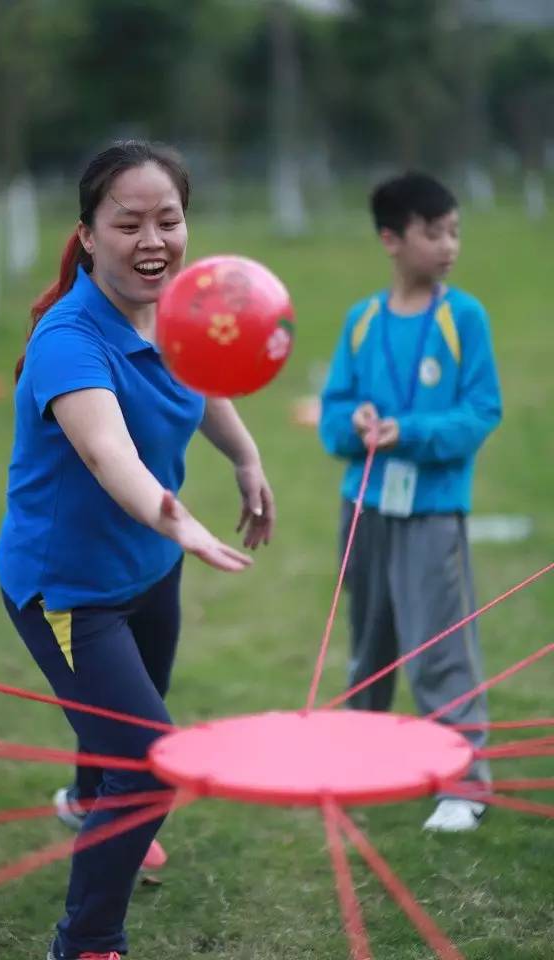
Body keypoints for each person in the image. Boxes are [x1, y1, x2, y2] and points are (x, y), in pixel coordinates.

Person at [0, 139, 275, 960]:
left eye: (169, 220)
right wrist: (179, 519)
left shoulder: (175, 304)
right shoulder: (68, 341)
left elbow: (202, 375)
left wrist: (248, 458)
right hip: (71, 592)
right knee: (150, 769)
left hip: (149, 574)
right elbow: (107, 453)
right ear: (87, 234)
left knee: (119, 735)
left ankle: (90, 801)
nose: (153, 241)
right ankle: (86, 942)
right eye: (129, 224)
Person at [319, 171, 502, 833]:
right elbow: (332, 416)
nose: (448, 245)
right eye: (433, 232)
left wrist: (413, 432)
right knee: (370, 645)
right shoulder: (362, 322)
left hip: (431, 513)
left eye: (453, 231)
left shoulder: (463, 319)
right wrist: (358, 424)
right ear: (391, 239)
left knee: (438, 647)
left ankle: (464, 781)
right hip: (365, 508)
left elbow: (482, 412)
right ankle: (363, 765)